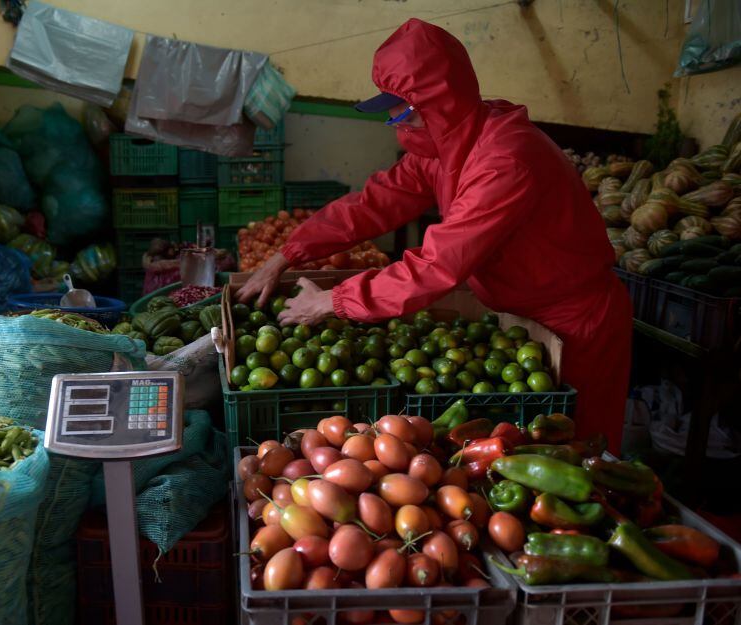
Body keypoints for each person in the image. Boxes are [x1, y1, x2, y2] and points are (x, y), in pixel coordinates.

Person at [237, 18, 632, 449]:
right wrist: (287, 254)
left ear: (437, 104)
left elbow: (437, 265)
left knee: (585, 454)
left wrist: (333, 300)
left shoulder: (504, 161)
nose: (394, 122)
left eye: (401, 111)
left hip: (574, 322)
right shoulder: (446, 145)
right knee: (524, 447)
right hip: (520, 318)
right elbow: (375, 203)